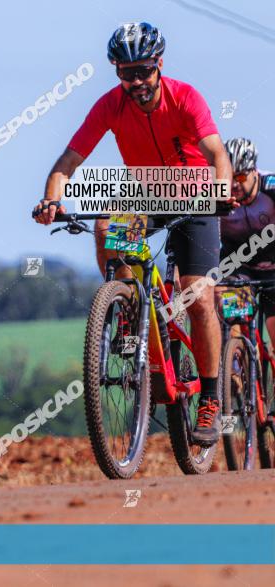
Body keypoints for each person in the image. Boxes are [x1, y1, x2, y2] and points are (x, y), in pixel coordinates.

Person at [32, 22, 234, 446]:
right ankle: (126, 310)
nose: (137, 82)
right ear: (115, 71)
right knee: (106, 226)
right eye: (126, 73)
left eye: (143, 71)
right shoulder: (110, 105)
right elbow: (69, 160)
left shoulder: (185, 97)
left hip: (196, 196)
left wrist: (222, 190)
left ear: (159, 65)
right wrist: (51, 198)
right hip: (144, 194)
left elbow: (216, 151)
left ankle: (212, 399)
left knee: (197, 296)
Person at [219, 138, 275, 343]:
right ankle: (235, 367)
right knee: (235, 320)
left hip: (273, 269)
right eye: (229, 176)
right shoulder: (219, 196)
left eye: (240, 176)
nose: (234, 184)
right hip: (239, 268)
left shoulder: (270, 187)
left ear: (254, 172)